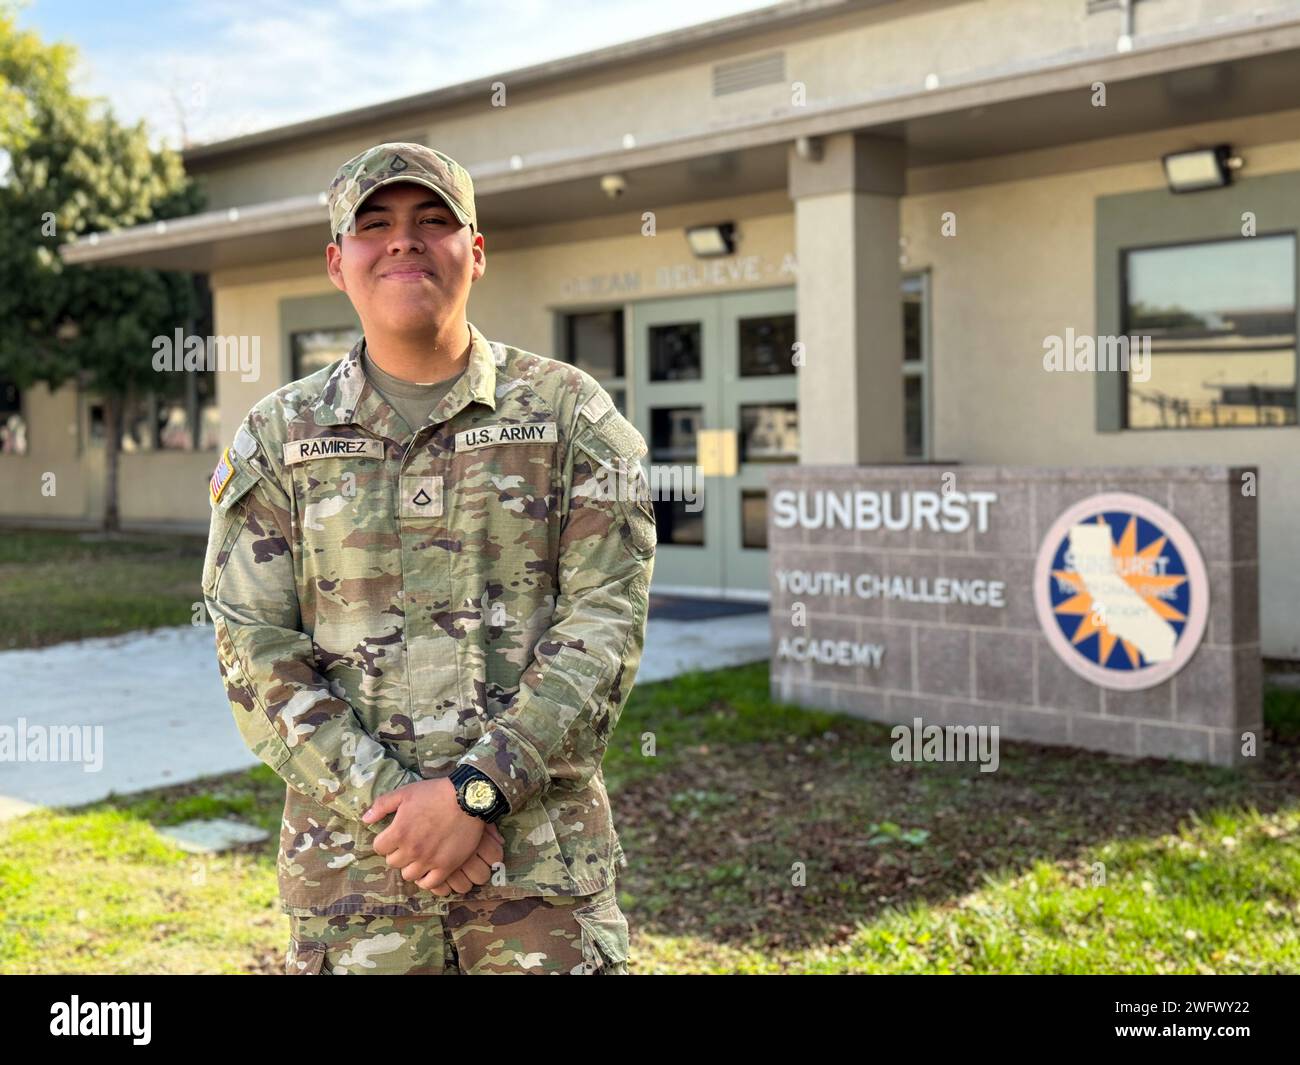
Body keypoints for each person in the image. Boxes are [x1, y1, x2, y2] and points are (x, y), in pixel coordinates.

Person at [201, 142, 656, 974]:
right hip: (356, 885)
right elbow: (252, 645)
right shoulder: (279, 435)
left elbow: (606, 621)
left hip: (539, 882)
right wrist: (398, 806)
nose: (403, 241)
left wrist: (479, 790)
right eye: (373, 226)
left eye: (432, 220)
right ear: (338, 264)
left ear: (475, 251)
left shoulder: (566, 414)